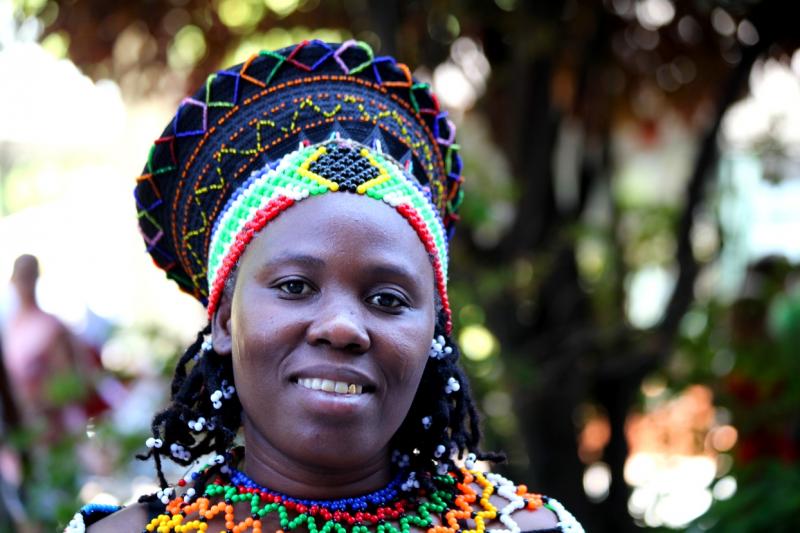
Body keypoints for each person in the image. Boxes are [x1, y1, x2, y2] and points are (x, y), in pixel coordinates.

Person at [66, 40, 583, 533]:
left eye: (388, 299)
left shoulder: (526, 528)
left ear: (433, 337)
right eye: (295, 286)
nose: (341, 327)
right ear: (226, 321)